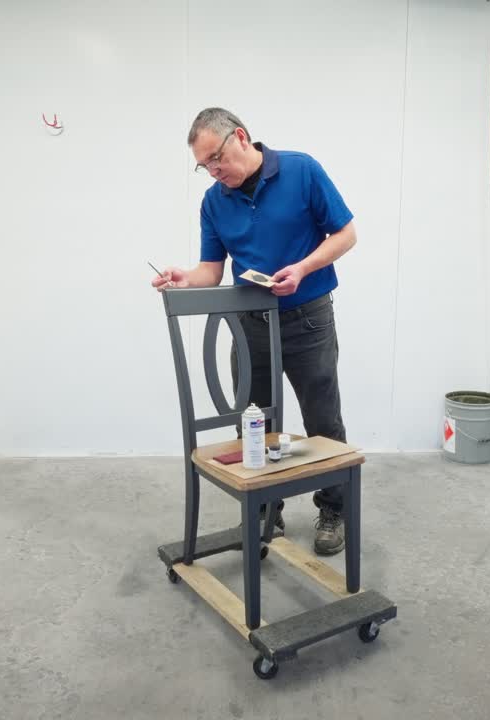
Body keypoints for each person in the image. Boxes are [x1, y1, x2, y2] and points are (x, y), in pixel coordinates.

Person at [152, 108, 357, 556]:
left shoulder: (302, 170)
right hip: (249, 326)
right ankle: (268, 510)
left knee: (322, 420)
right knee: (254, 422)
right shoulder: (213, 201)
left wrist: (303, 268)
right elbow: (211, 269)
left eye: (216, 159)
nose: (213, 171)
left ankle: (334, 510)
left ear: (240, 138)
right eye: (203, 165)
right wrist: (185, 278)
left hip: (307, 318)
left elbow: (345, 234)